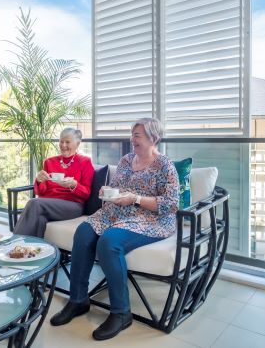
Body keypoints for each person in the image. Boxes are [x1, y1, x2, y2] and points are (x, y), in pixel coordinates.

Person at [50, 118, 179, 341]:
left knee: (109, 242)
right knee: (83, 232)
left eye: (137, 135)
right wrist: (108, 191)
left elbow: (170, 204)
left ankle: (121, 313)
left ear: (153, 138)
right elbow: (118, 188)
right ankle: (78, 300)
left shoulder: (165, 165)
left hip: (150, 219)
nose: (132, 139)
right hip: (118, 212)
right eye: (132, 134)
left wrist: (136, 199)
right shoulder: (127, 160)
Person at [13, 127, 94, 238]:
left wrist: (74, 185)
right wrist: (39, 180)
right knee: (40, 219)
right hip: (48, 204)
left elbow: (86, 193)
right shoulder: (49, 162)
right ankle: (36, 252)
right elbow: (41, 192)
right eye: (61, 141)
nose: (63, 145)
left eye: (67, 142)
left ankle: (14, 242)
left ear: (78, 144)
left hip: (72, 205)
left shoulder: (85, 162)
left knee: (34, 203)